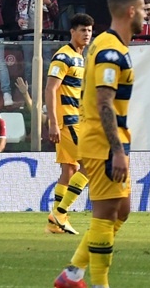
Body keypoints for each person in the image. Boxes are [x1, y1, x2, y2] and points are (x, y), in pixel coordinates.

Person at [54, 0, 144, 288]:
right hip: (104, 143)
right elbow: (104, 102)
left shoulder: (111, 44)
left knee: (123, 210)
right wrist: (117, 150)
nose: (147, 15)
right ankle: (99, 283)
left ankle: (73, 273)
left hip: (113, 140)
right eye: (144, 9)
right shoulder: (109, 50)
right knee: (105, 214)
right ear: (131, 11)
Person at [44, 14, 95, 236]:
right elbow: (50, 89)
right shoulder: (63, 57)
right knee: (90, 165)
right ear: (72, 31)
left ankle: (54, 224)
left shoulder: (81, 58)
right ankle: (61, 212)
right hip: (68, 121)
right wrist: (53, 123)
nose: (87, 34)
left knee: (69, 169)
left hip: (77, 120)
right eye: (82, 30)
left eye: (89, 30)